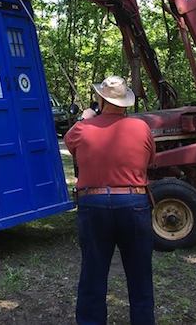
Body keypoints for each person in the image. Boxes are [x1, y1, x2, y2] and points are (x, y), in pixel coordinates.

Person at [64, 75, 155, 325]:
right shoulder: (141, 128)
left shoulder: (82, 129)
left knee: (93, 276)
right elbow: (149, 161)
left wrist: (86, 117)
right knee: (140, 278)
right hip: (133, 204)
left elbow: (69, 142)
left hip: (94, 206)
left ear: (100, 101)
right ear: (125, 103)